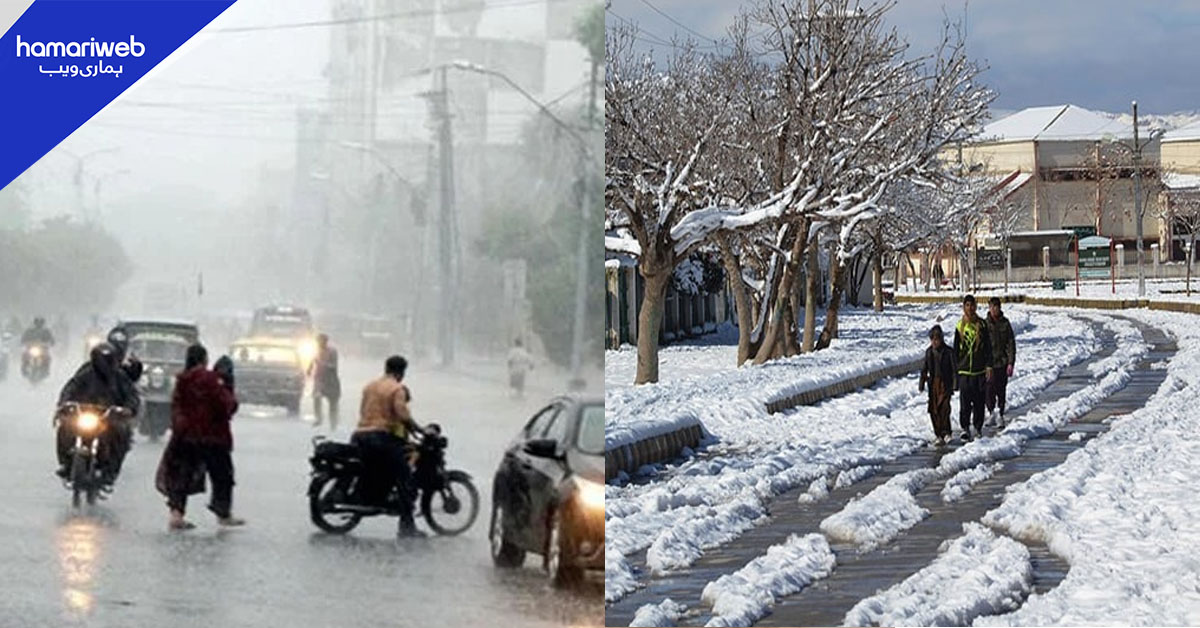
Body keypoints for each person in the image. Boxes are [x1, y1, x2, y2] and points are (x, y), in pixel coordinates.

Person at [158, 343, 244, 530]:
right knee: (222, 476)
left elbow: (175, 405)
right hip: (213, 437)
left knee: (181, 475)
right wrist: (229, 389)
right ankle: (223, 513)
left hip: (185, 436)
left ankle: (176, 515)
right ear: (204, 359)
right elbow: (227, 406)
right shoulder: (213, 380)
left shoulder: (182, 380)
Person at [353, 355, 425, 538]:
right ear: (402, 372)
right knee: (405, 477)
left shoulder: (370, 386)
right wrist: (417, 429)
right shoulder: (397, 388)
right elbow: (402, 413)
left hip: (360, 435)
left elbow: (363, 410)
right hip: (380, 438)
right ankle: (407, 526)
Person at [55, 343, 139, 483]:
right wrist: (65, 403)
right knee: (64, 428)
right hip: (84, 414)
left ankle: (111, 470)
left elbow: (131, 396)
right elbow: (70, 388)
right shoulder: (85, 374)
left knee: (122, 433)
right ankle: (66, 463)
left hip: (109, 417)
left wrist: (127, 409)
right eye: (100, 359)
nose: (103, 364)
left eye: (106, 360)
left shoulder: (120, 377)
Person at [953, 295, 993, 441]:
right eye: (967, 305)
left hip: (979, 370)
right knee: (965, 402)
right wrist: (955, 369)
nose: (970, 308)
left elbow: (988, 348)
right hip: (964, 371)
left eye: (972, 305)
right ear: (964, 307)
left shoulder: (982, 325)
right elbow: (956, 349)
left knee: (979, 402)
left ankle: (977, 427)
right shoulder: (959, 326)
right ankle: (965, 428)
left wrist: (989, 365)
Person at [919, 325, 956, 446]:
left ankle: (946, 432)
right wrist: (922, 382)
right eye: (932, 339)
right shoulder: (929, 352)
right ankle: (938, 434)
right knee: (934, 410)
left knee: (944, 408)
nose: (934, 342)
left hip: (945, 384)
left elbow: (954, 370)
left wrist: (955, 384)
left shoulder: (949, 352)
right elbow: (924, 369)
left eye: (937, 339)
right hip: (933, 384)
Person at [985, 297, 1017, 427]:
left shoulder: (1005, 323)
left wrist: (1010, 362)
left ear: (999, 308)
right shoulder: (985, 324)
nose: (993, 310)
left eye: (996, 307)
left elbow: (1010, 343)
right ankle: (991, 412)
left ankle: (1000, 414)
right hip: (989, 364)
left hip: (1002, 363)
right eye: (991, 307)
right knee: (989, 390)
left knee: (1001, 389)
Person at [307, 333, 341, 430]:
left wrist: (322, 364)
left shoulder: (332, 351)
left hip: (330, 379)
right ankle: (319, 418)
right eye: (318, 342)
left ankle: (333, 422)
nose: (319, 343)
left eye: (321, 341)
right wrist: (309, 369)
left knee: (333, 402)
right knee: (316, 397)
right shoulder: (316, 351)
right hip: (319, 379)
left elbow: (333, 366)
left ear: (326, 341)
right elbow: (312, 361)